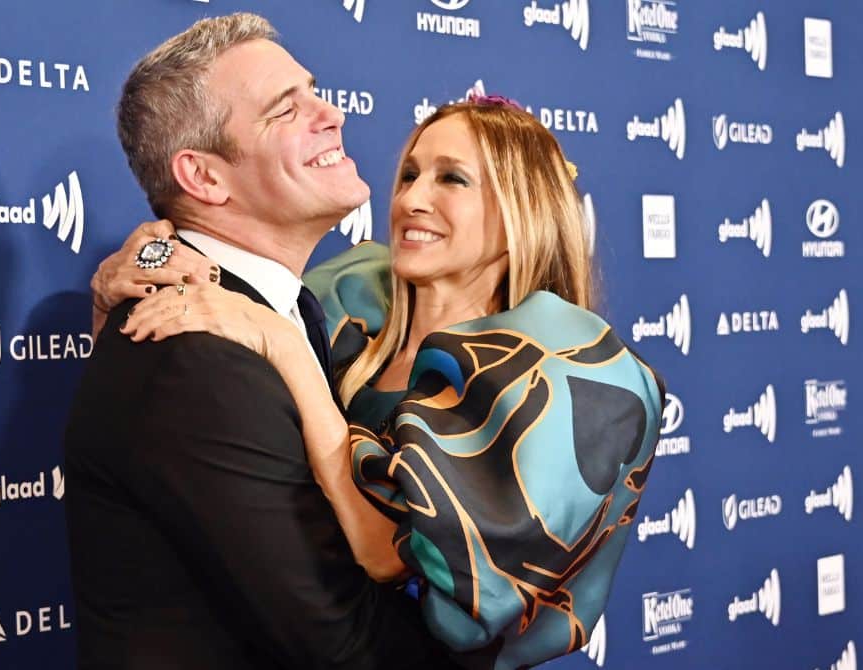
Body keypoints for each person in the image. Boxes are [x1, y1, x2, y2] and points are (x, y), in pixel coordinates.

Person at [97, 94, 667, 668]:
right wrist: (129, 282)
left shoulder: (567, 372)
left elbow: (383, 553)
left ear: (523, 208)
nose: (411, 200)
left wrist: (284, 347)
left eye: (453, 180)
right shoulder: (346, 303)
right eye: (411, 175)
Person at [63, 13, 459, 669]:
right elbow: (339, 646)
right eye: (286, 108)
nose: (330, 112)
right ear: (205, 177)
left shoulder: (289, 309)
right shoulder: (196, 356)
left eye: (314, 89)